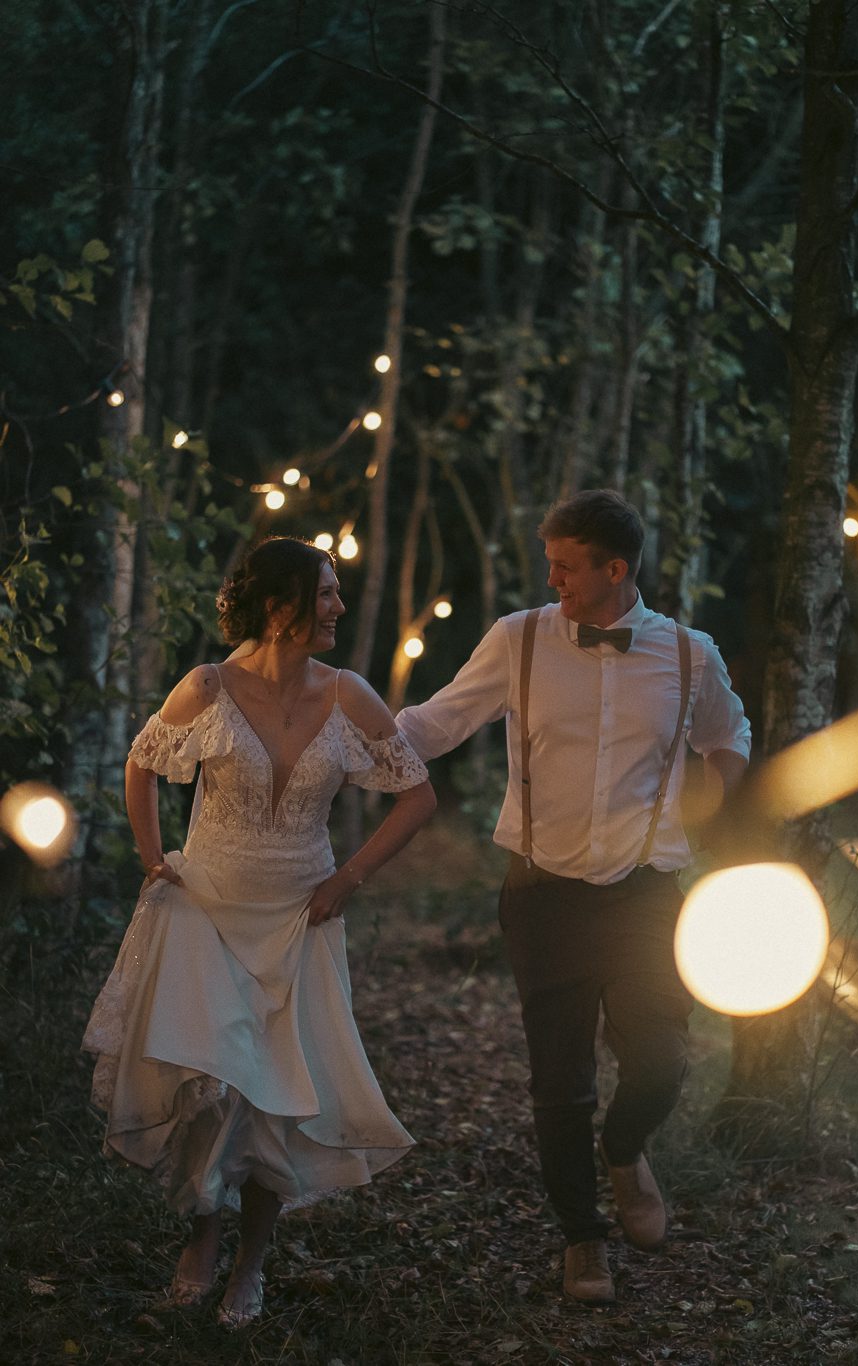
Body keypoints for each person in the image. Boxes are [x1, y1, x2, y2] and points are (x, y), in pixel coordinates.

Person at [397, 489, 750, 1306]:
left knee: (660, 1061)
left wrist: (705, 808)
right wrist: (332, 727)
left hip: (646, 896)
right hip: (544, 897)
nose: (549, 578)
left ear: (613, 570)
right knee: (559, 1083)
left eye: (564, 566)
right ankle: (581, 1239)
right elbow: (434, 725)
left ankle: (626, 1151)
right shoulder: (517, 641)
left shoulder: (690, 655)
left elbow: (725, 737)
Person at [83, 536, 436, 1328]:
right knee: (214, 1085)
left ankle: (252, 1262)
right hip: (207, 907)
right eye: (325, 593)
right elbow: (144, 764)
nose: (338, 607)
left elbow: (418, 796)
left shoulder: (348, 696)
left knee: (279, 1094)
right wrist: (152, 860)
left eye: (337, 593)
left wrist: (348, 878)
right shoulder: (208, 686)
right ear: (279, 606)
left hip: (298, 916)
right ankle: (202, 1237)